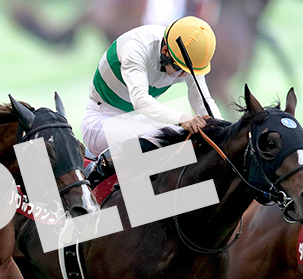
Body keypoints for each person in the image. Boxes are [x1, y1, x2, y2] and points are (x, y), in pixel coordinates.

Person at [81, 16, 221, 183]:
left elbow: (204, 101)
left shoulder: (183, 55)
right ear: (165, 51)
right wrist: (181, 118)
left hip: (134, 120)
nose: (183, 75)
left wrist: (223, 132)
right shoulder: (136, 47)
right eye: (179, 69)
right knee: (161, 140)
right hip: (99, 122)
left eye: (188, 71)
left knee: (188, 140)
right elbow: (140, 100)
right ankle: (94, 173)